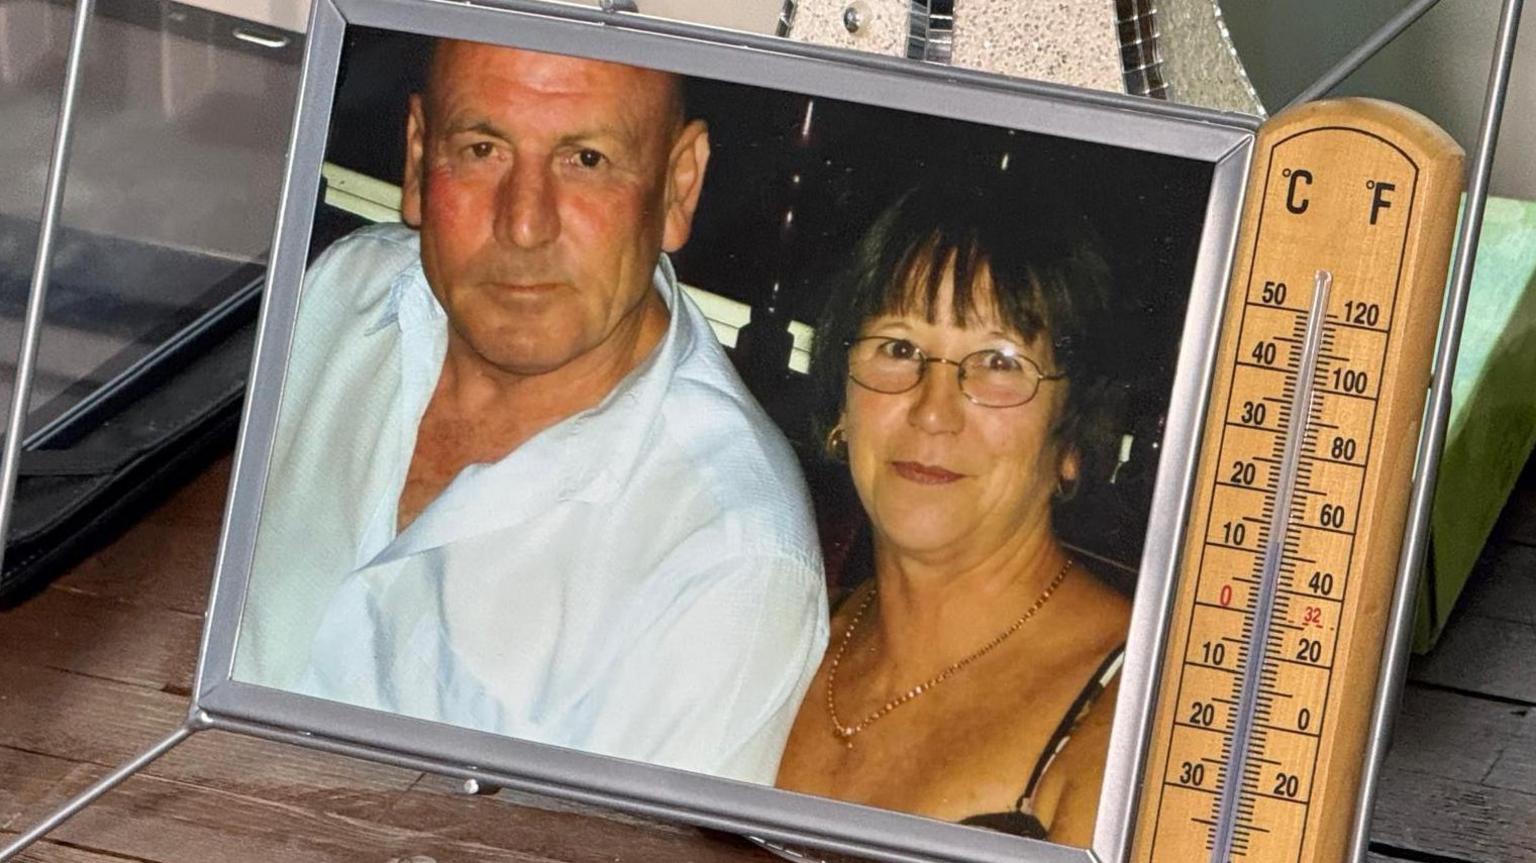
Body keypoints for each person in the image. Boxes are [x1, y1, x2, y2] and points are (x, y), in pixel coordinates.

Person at [233, 38, 828, 784]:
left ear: (678, 187)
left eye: (586, 160)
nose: (523, 224)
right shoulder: (338, 297)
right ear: (418, 159)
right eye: (483, 148)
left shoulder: (730, 561)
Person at [776, 180, 1131, 845]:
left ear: (1074, 435)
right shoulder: (790, 636)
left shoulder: (1129, 718)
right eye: (900, 348)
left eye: (999, 362)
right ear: (843, 407)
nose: (933, 409)